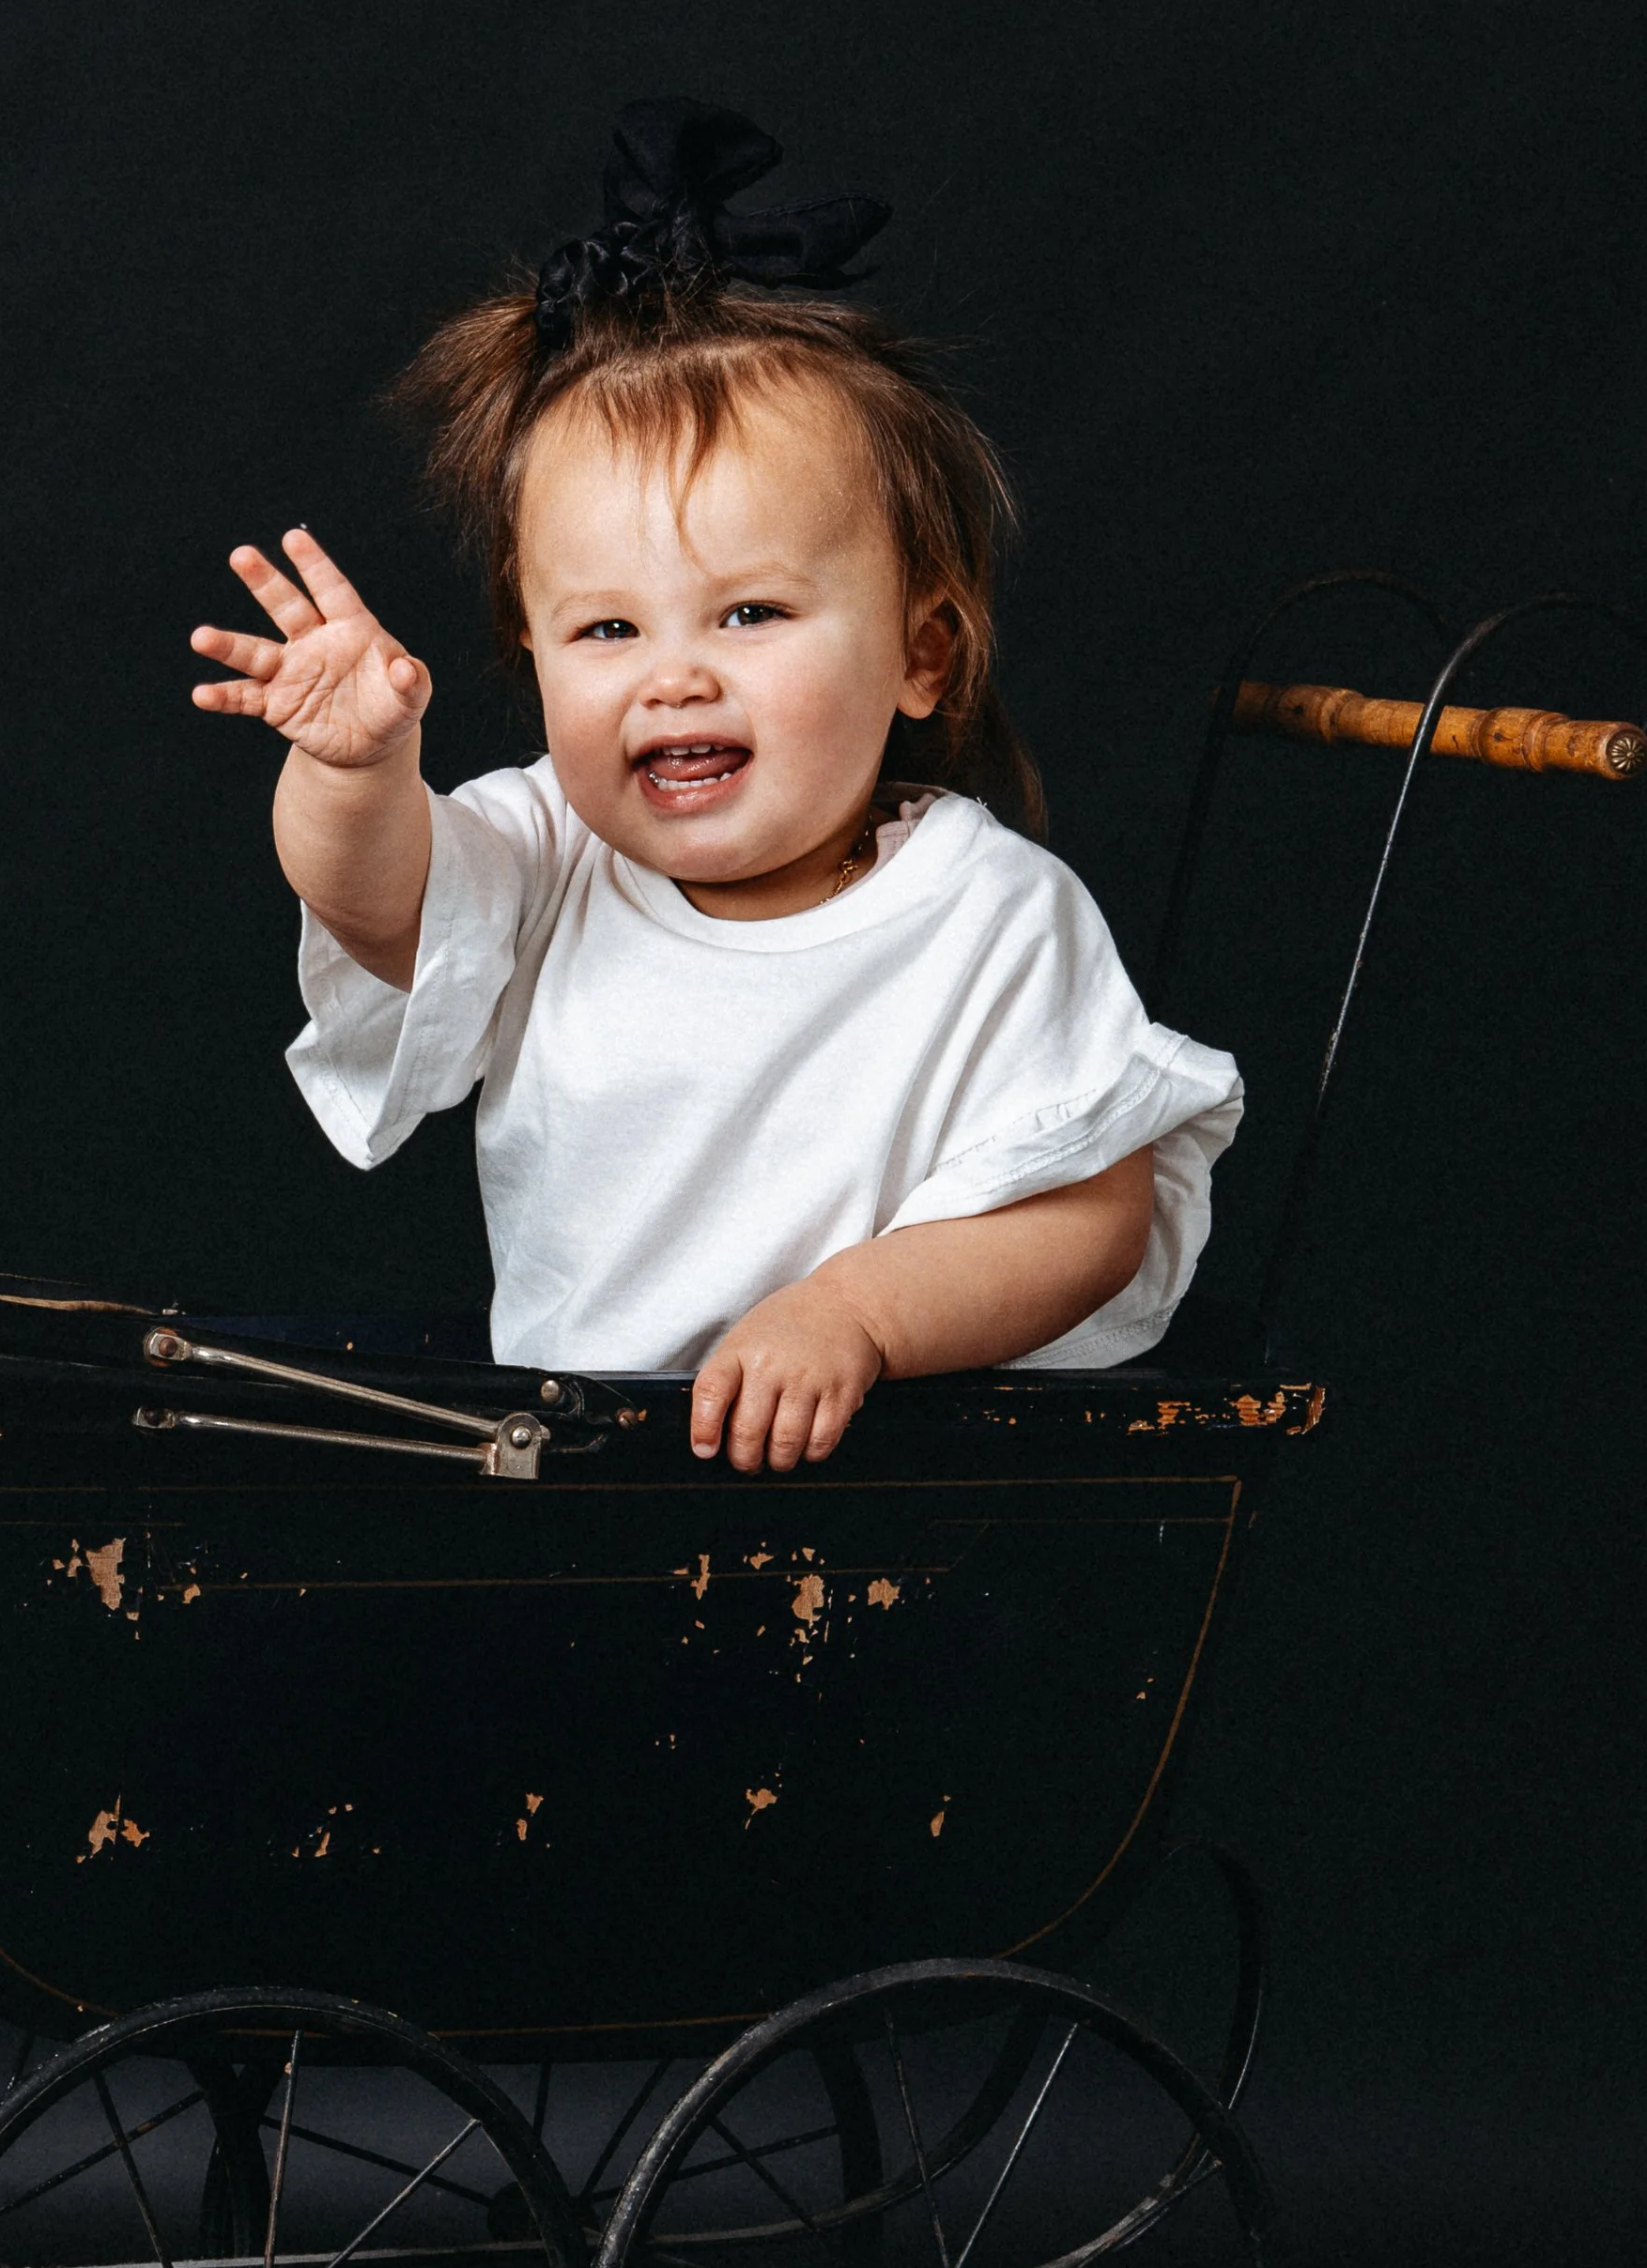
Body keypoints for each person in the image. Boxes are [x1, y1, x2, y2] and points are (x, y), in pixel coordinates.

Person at [192, 100, 1240, 1473]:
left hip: (886, 1510)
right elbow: (380, 904)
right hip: (571, 1489)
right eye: (608, 630)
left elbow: (1092, 1217)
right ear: (533, 654)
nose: (672, 677)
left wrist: (855, 1314)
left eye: (749, 615)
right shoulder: (549, 855)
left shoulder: (990, 916)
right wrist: (358, 770)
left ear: (921, 655)